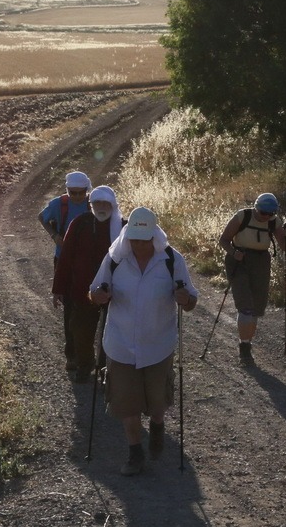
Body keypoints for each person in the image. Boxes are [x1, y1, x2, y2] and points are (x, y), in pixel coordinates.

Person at [89, 206, 198, 476]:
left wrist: (185, 299)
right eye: (134, 239)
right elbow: (94, 290)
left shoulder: (172, 260)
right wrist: (98, 297)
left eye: (144, 239)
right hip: (120, 344)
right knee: (127, 403)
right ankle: (135, 452)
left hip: (158, 345)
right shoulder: (115, 260)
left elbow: (191, 300)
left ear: (154, 237)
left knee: (157, 401)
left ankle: (158, 425)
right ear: (127, 237)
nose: (138, 245)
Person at [52, 185, 124, 383]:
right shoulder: (80, 223)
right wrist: (58, 289)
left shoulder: (123, 227)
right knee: (80, 331)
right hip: (82, 290)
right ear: (91, 205)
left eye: (105, 203)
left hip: (115, 291)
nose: (101, 207)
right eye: (97, 203)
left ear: (113, 205)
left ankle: (105, 369)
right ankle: (85, 365)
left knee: (111, 333)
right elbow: (65, 257)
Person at [217, 193, 286, 365]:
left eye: (269, 213)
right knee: (245, 306)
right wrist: (234, 253)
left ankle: (247, 343)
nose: (265, 216)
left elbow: (285, 248)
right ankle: (244, 348)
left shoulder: (274, 221)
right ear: (256, 207)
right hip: (239, 260)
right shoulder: (242, 216)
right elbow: (224, 240)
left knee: (257, 306)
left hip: (261, 261)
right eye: (263, 212)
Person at [39, 170, 92, 370]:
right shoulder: (58, 205)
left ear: (87, 191)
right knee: (70, 308)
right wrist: (54, 236)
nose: (77, 197)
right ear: (67, 190)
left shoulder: (92, 204)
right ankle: (72, 355)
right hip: (64, 260)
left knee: (89, 308)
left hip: (90, 261)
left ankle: (84, 354)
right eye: (73, 193)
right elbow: (41, 217)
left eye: (81, 193)